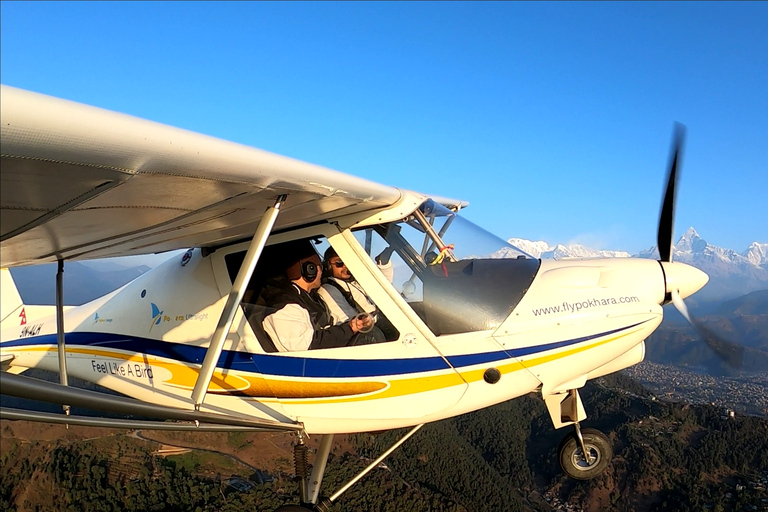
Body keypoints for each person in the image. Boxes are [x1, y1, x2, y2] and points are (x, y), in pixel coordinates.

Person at [261, 244, 373, 352]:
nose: (322, 272)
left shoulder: (310, 298)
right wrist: (349, 328)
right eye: (320, 267)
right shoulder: (286, 304)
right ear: (310, 270)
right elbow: (308, 346)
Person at [317, 246, 398, 341]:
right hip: (365, 334)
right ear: (328, 266)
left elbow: (383, 290)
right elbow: (347, 319)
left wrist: (384, 264)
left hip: (376, 324)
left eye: (347, 261)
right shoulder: (328, 290)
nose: (345, 266)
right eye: (339, 263)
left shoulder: (353, 283)